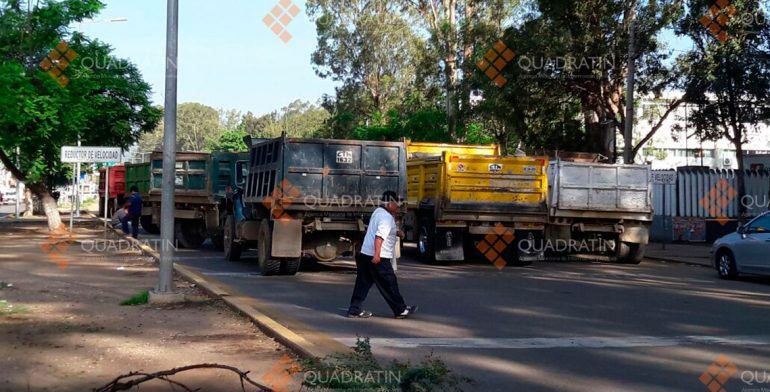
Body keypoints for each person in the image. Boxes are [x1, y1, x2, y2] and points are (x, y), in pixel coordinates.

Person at [347, 191, 417, 319]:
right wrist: (377, 255)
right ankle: (400, 310)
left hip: (365, 254)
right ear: (389, 204)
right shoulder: (386, 218)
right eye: (396, 203)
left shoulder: (378, 212)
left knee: (363, 283)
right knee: (389, 283)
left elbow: (380, 229)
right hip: (379, 256)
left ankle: (354, 309)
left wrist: (397, 232)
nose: (398, 206)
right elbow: (379, 237)